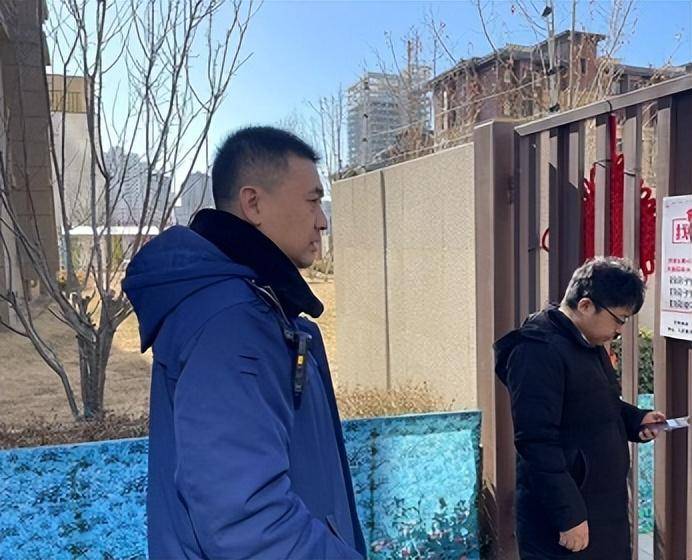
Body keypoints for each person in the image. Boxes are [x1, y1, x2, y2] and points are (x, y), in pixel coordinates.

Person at [122, 126, 366, 559]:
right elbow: (247, 522)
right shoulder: (232, 324)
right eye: (312, 200)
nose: (322, 221)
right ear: (253, 203)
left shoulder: (260, 309)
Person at [494, 257, 665, 559]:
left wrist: (636, 420)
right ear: (586, 305)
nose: (620, 330)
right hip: (562, 518)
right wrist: (568, 515)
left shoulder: (586, 343)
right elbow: (536, 440)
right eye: (619, 319)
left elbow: (597, 405)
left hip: (600, 507)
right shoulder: (537, 350)